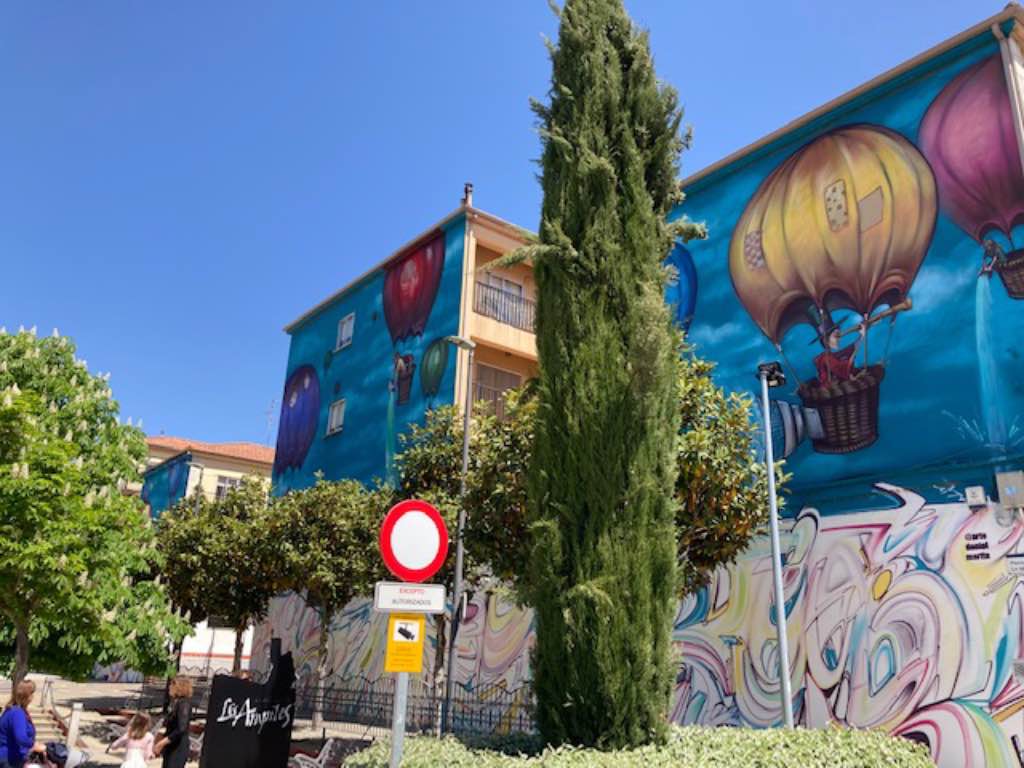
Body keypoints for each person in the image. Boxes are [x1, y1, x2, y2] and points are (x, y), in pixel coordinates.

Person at [0, 681, 46, 768]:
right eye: (32, 694)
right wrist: (34, 745)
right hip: (10, 759)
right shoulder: (17, 713)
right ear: (26, 696)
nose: (32, 697)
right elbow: (21, 738)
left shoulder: (11, 710)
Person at [154, 677, 192, 768]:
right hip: (171, 746)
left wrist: (163, 742)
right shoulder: (176, 703)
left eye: (172, 685)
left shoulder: (184, 704)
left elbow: (181, 728)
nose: (169, 687)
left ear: (179, 687)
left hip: (178, 746)